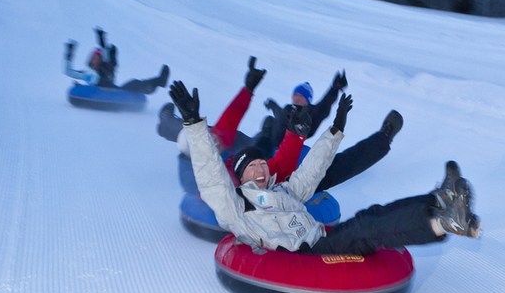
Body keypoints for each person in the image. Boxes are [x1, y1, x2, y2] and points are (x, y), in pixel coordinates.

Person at [169, 80, 481, 255]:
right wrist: (195, 125)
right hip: (304, 252)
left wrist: (335, 130)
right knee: (365, 229)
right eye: (253, 166)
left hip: (318, 237)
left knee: (371, 214)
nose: (262, 168)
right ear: (239, 177)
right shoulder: (236, 206)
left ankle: (439, 201)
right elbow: (211, 178)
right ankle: (442, 224)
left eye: (262, 162)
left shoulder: (282, 190)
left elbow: (310, 172)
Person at [160, 59, 404, 193]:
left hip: (262, 156)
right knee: (255, 141)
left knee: (253, 141)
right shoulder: (206, 177)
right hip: (256, 168)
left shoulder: (225, 150)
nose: (216, 139)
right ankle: (167, 123)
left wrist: (248, 90)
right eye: (210, 142)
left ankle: (382, 139)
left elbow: (226, 124)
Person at [64, 28, 169, 94]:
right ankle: (156, 83)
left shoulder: (105, 67)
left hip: (114, 92)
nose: (95, 59)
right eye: (93, 57)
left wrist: (101, 40)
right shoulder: (86, 73)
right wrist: (69, 53)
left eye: (97, 57)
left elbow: (106, 55)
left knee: (134, 83)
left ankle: (159, 81)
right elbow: (68, 72)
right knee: (134, 84)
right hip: (98, 93)